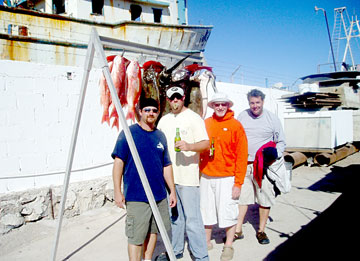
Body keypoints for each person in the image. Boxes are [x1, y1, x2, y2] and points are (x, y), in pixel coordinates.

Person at [112, 97, 177, 261]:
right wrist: (117, 191)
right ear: (140, 112)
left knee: (154, 230)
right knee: (136, 236)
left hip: (159, 196)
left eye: (154, 110)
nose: (151, 113)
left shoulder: (160, 136)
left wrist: (172, 192)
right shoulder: (129, 133)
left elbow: (166, 165)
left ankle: (147, 259)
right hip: (137, 196)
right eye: (147, 110)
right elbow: (118, 163)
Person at [157, 86, 210, 261]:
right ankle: (176, 251)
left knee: (193, 220)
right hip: (169, 179)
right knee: (175, 219)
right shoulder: (164, 120)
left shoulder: (194, 118)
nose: (175, 101)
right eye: (172, 98)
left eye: (178, 97)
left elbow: (205, 144)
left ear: (184, 97)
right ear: (168, 99)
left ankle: (201, 256)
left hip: (188, 178)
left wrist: (189, 146)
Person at [199, 92, 248, 261]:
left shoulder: (236, 126)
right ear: (212, 106)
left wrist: (238, 183)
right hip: (206, 176)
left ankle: (228, 245)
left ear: (228, 106)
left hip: (227, 177)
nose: (220, 107)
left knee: (228, 211)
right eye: (217, 104)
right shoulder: (206, 124)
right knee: (206, 211)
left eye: (223, 104)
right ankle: (206, 241)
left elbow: (242, 157)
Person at [236, 89, 286, 245]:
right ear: (248, 102)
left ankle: (261, 231)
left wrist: (274, 154)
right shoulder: (242, 116)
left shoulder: (272, 118)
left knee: (264, 198)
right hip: (245, 164)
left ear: (263, 102)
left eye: (258, 102)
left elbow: (282, 141)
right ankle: (238, 230)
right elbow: (236, 137)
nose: (255, 106)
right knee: (242, 198)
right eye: (252, 103)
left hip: (264, 167)